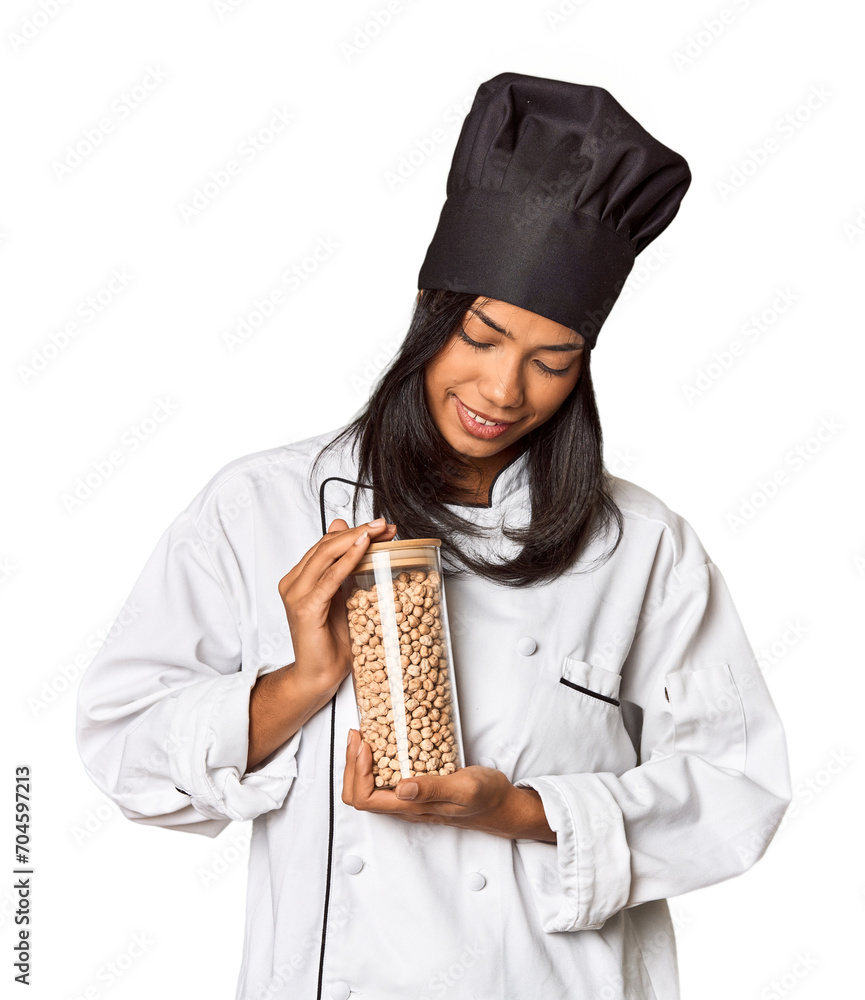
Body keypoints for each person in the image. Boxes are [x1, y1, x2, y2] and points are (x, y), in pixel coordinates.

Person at [75, 72, 792, 1000]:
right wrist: (303, 683)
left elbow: (738, 790)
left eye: (552, 361)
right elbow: (122, 750)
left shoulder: (642, 547)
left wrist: (518, 811)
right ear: (431, 311)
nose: (502, 391)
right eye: (481, 338)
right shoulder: (262, 506)